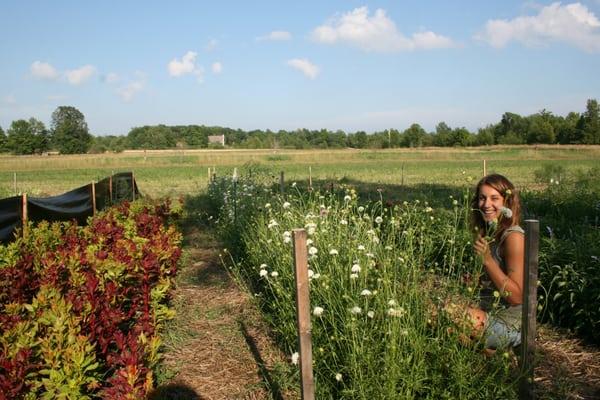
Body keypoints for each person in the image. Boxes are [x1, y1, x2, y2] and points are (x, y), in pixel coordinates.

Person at [467, 173, 525, 350]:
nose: (486, 205)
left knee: (456, 318)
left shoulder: (513, 236)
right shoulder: (490, 234)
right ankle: (489, 356)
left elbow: (516, 297)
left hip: (510, 326)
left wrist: (487, 261)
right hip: (489, 315)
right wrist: (475, 281)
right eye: (482, 198)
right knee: (439, 313)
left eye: (494, 198)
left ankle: (494, 353)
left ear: (507, 202)